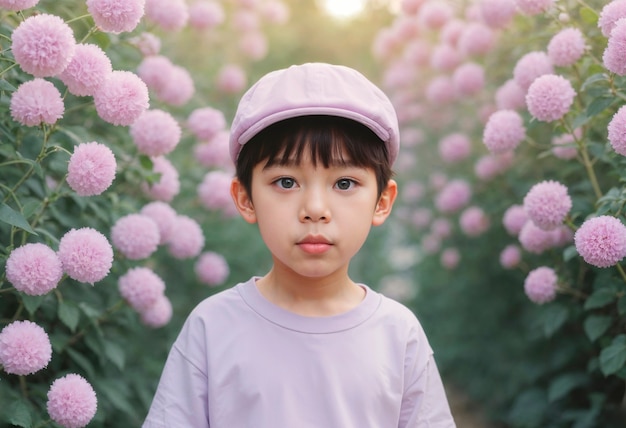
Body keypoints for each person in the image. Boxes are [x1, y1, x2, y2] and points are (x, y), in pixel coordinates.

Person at [142, 62, 456, 428]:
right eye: (287, 182)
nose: (315, 210)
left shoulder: (398, 334)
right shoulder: (212, 328)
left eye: (344, 183)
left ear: (382, 201)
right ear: (245, 198)